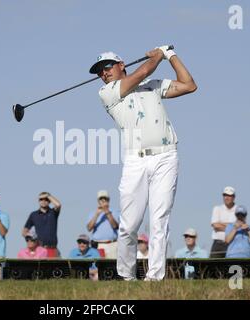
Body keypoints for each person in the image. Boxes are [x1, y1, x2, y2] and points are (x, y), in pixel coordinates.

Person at [90, 45, 197, 281]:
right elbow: (141, 73)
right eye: (99, 71)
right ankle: (126, 276)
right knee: (129, 225)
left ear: (121, 66)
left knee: (160, 220)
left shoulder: (152, 85)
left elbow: (189, 85)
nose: (103, 73)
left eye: (106, 67)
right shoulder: (107, 93)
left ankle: (154, 278)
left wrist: (170, 55)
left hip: (166, 156)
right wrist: (158, 55)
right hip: (135, 161)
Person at [22, 192, 61, 257]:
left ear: (49, 201)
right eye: (41, 199)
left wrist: (48, 195)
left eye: (46, 199)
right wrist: (32, 240)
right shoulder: (33, 215)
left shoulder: (53, 212)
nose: (43, 201)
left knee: (55, 267)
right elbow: (24, 232)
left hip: (52, 249)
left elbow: (58, 205)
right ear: (38, 201)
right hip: (39, 249)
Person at [86, 190, 120, 259]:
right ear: (98, 201)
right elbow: (89, 228)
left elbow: (115, 226)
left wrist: (107, 211)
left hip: (112, 245)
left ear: (108, 200)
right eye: (101, 199)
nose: (103, 201)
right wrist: (97, 214)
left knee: (112, 266)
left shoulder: (115, 212)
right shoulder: (93, 213)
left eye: (105, 199)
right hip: (98, 245)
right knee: (98, 267)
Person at [210, 186, 237, 258]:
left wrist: (221, 224)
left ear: (233, 197)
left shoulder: (238, 210)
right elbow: (215, 225)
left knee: (233, 267)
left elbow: (238, 227)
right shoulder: (217, 208)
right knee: (212, 266)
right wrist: (231, 226)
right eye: (225, 195)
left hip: (233, 243)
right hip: (218, 244)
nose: (226, 198)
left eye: (229, 195)